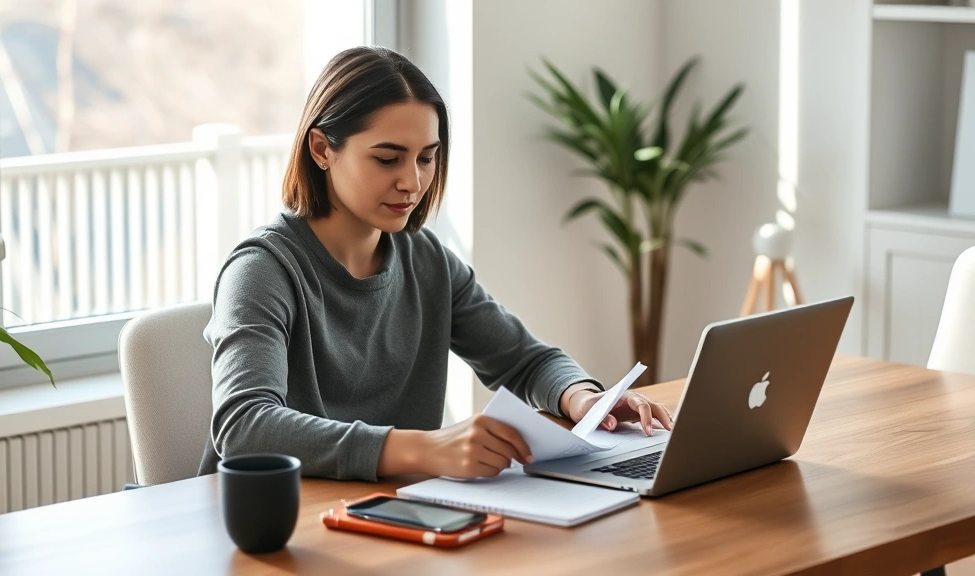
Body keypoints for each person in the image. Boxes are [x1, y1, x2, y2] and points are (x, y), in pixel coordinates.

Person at [198, 46, 673, 482]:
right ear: (322, 149)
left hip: (388, 509)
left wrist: (586, 399)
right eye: (388, 159)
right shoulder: (262, 270)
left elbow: (524, 361)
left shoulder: (427, 262)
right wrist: (424, 449)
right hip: (274, 527)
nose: (413, 181)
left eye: (427, 158)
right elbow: (246, 427)